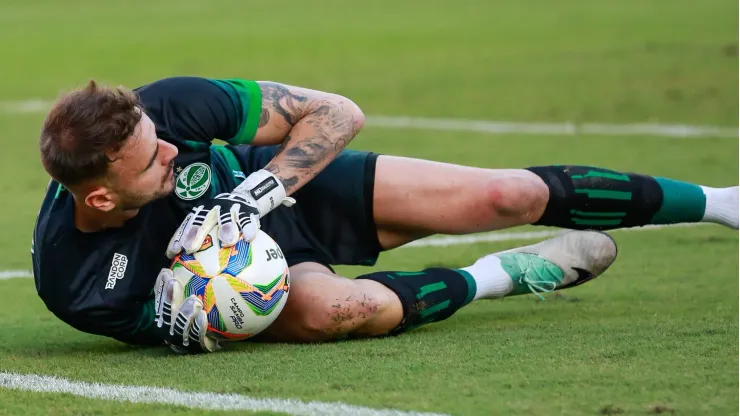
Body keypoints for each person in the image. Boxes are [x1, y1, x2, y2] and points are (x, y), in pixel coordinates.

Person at [32, 77, 738, 353]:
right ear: (99, 196)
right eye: (154, 160)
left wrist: (249, 200)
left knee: (503, 195)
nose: (173, 151)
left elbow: (338, 112)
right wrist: (199, 308)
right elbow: (197, 325)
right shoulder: (80, 284)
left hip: (269, 188)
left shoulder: (173, 108)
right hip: (261, 271)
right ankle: (498, 276)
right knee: (342, 310)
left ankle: (722, 203)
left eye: (163, 139)